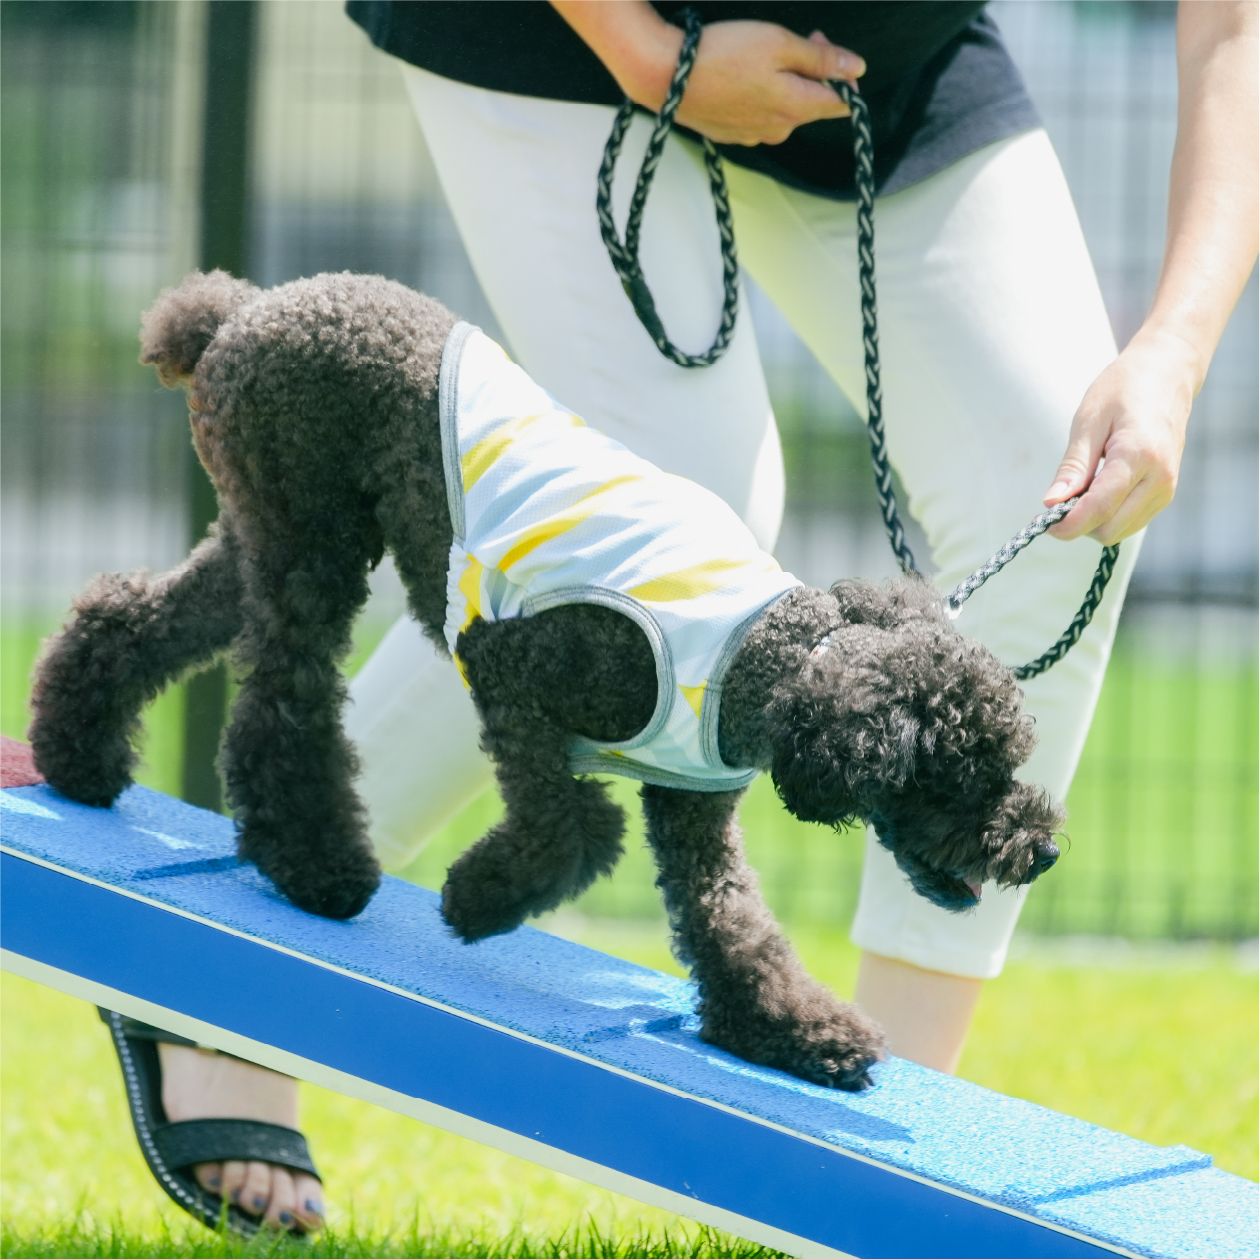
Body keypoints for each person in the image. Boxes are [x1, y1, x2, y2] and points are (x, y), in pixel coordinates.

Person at [143, 0, 1257, 1233]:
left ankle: (887, 1136)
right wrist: (643, 48)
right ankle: (216, 967)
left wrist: (1173, 351)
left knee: (1059, 488)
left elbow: (1233, 33)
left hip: (885, 59)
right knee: (683, 496)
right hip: (562, 35)